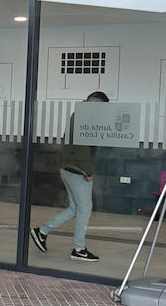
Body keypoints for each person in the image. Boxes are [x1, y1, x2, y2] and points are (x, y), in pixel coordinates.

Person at [29, 91, 108, 263]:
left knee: (75, 208)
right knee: (85, 209)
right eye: (102, 107)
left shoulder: (78, 114)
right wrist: (87, 171)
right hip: (77, 170)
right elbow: (82, 147)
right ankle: (79, 249)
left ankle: (41, 231)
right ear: (95, 103)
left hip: (69, 168)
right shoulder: (84, 117)